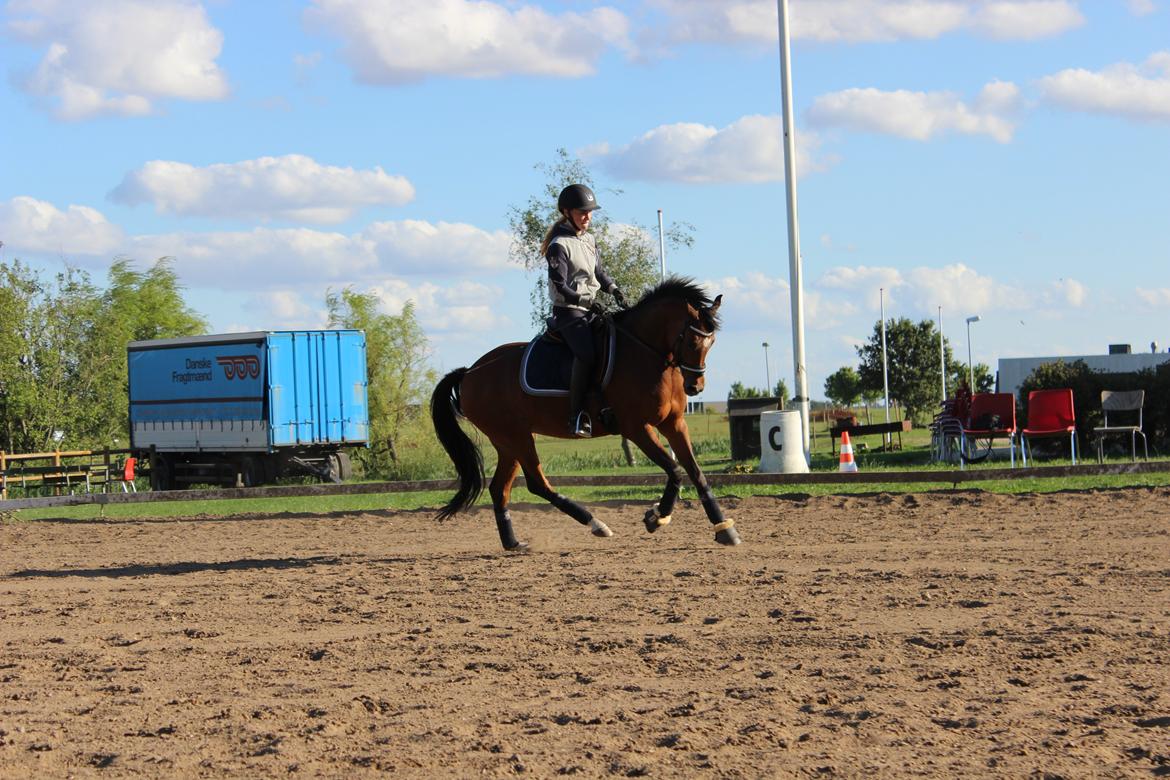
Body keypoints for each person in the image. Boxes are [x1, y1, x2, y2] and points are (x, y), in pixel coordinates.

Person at [540, 184, 627, 437]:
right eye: (582, 212)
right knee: (587, 355)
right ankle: (576, 415)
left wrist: (614, 289)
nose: (587, 217)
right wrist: (586, 302)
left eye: (590, 212)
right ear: (567, 212)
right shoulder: (559, 245)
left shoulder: (589, 239)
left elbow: (599, 272)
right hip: (569, 312)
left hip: (590, 310)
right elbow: (560, 285)